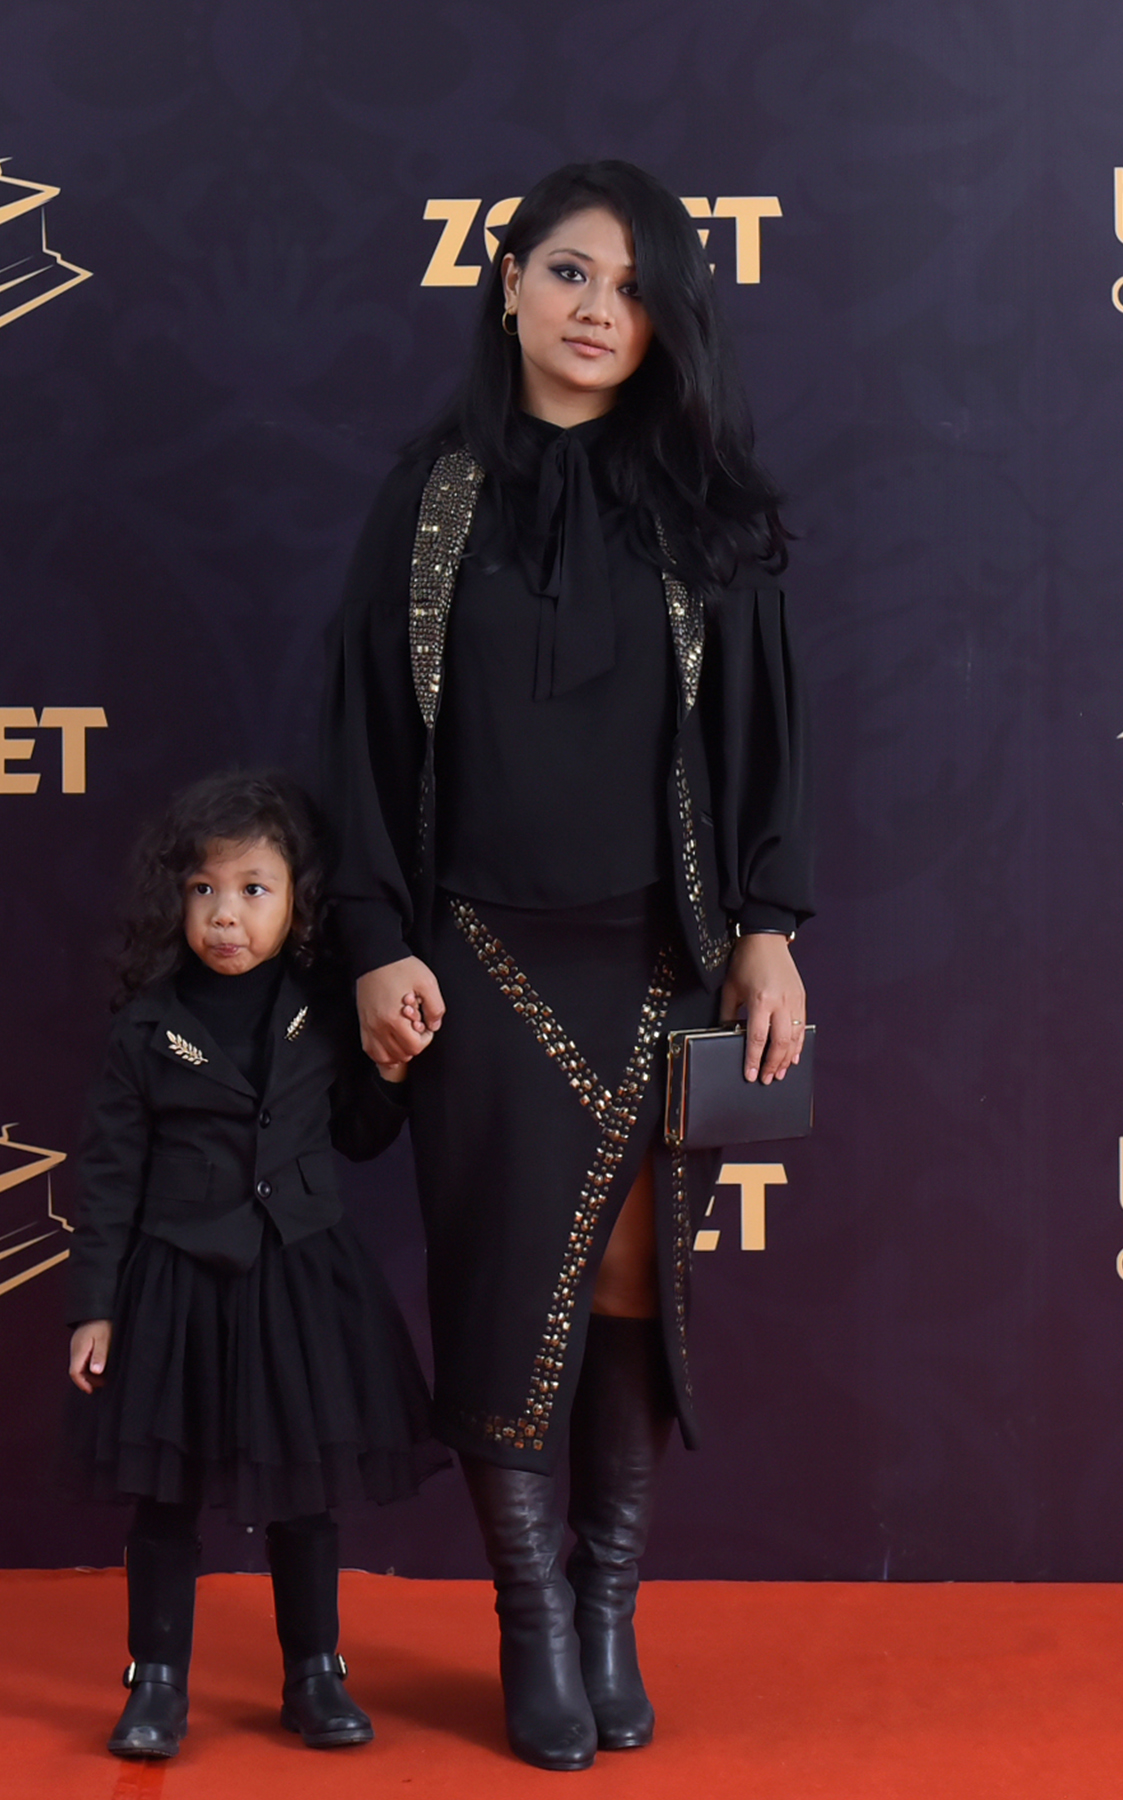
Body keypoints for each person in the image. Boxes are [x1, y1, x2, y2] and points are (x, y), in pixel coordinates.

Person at [323, 159, 812, 1770]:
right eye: (571, 273)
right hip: (473, 958)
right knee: (496, 1289)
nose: (601, 310)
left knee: (625, 1287)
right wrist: (376, 944)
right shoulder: (429, 499)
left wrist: (766, 928)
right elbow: (363, 741)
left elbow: (762, 741)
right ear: (508, 281)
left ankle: (608, 1609)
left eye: (635, 286)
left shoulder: (699, 506)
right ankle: (529, 1618)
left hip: (659, 951)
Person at [64, 770, 445, 1761]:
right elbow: (108, 1175)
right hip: (177, 1285)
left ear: (298, 902)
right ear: (175, 899)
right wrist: (95, 1307)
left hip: (299, 1280)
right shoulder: (145, 1027)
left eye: (252, 889)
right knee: (166, 1498)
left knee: (303, 1492)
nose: (225, 914)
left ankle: (314, 1673)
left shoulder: (323, 1009)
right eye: (202, 889)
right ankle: (156, 1682)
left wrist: (391, 1070)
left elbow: (359, 1135)